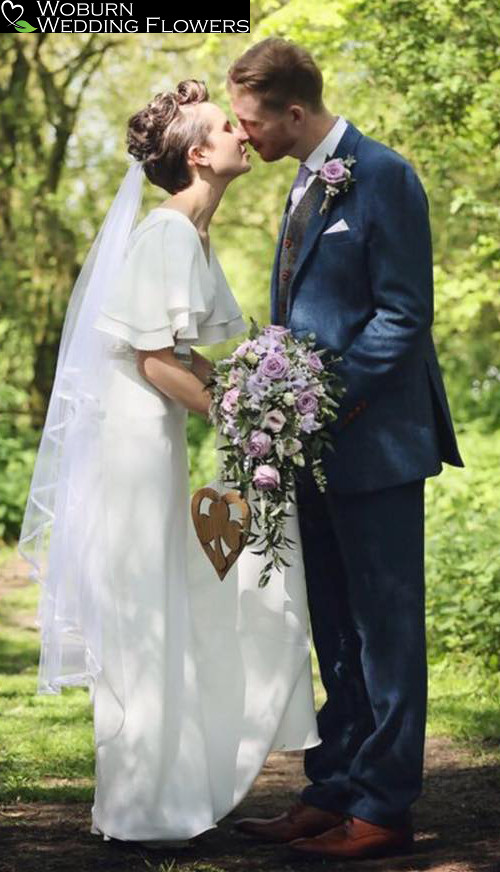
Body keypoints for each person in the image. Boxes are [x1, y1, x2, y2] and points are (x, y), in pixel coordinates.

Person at [17, 79, 321, 847]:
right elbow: (155, 359)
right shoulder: (166, 235)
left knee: (169, 602)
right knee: (147, 609)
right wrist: (242, 418)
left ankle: (164, 793)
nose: (242, 132)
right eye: (227, 126)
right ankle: (142, 807)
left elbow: (181, 355)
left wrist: (251, 399)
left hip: (153, 439)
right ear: (198, 153)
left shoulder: (190, 232)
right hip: (132, 447)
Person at [227, 38, 465, 860]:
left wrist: (320, 404)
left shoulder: (386, 176)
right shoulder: (301, 177)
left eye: (251, 122)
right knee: (331, 625)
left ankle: (385, 809)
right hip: (311, 447)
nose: (242, 134)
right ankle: (334, 788)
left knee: (385, 630)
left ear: (295, 112)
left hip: (378, 444)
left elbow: (403, 313)